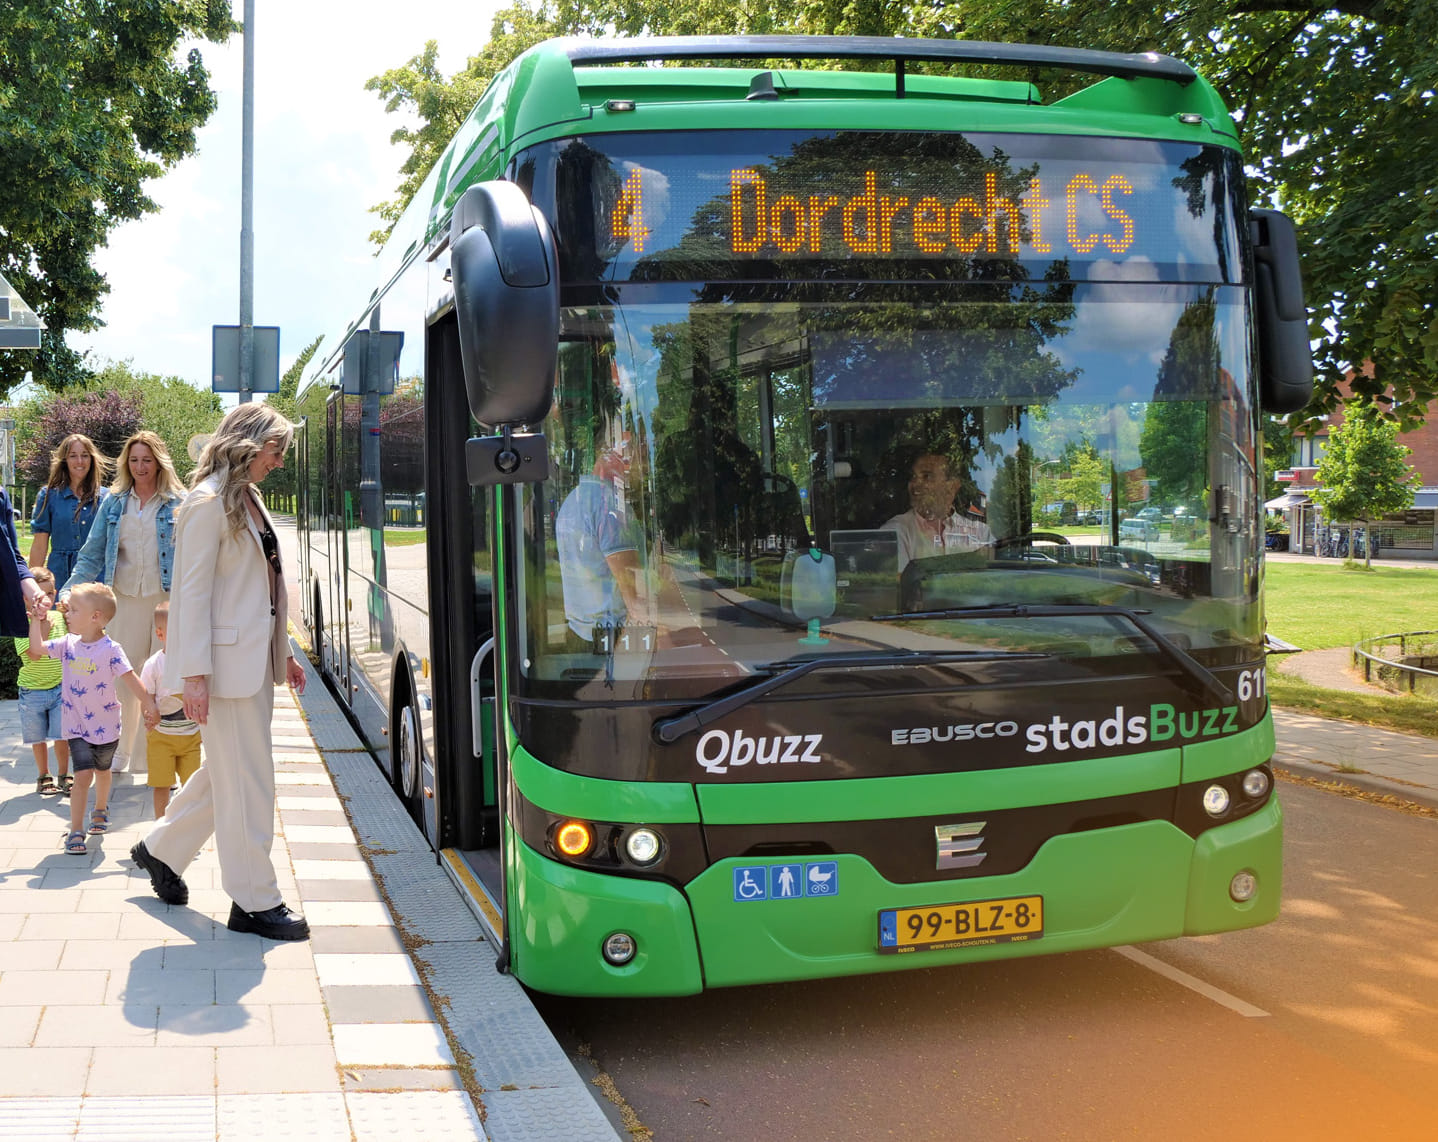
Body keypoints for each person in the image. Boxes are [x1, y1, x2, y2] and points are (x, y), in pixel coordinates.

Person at [130, 403, 311, 941]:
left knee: (232, 773)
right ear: (250, 447)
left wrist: (283, 651)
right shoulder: (207, 503)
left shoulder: (245, 497)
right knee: (249, 783)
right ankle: (254, 902)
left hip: (250, 665)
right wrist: (193, 677)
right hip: (223, 672)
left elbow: (263, 587)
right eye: (275, 452)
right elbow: (191, 597)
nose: (278, 462)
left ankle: (160, 851)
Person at [61, 431, 184, 775]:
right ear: (126, 463)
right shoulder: (115, 503)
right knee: (123, 679)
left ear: (159, 462)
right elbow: (91, 553)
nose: (140, 466)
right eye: (134, 460)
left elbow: (192, 557)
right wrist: (68, 592)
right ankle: (122, 752)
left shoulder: (179, 501)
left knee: (163, 677)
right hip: (125, 599)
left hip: (166, 601)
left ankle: (155, 756)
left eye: (147, 460)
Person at [30, 582, 157, 856]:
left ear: (95, 617)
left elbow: (130, 679)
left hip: (107, 725)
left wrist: (149, 703)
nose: (67, 613)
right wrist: (36, 620)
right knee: (83, 774)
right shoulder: (66, 644)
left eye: (74, 609)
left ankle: (100, 808)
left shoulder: (111, 649)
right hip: (76, 725)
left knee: (103, 771)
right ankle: (76, 829)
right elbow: (37, 649)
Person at [555, 428, 649, 645]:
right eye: (631, 454)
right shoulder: (609, 505)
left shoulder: (573, 500)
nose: (635, 466)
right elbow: (632, 592)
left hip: (581, 632)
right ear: (606, 456)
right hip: (611, 637)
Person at [138, 601, 201, 818]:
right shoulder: (154, 664)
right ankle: (159, 826)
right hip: (161, 737)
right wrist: (148, 714)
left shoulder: (194, 662)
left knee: (192, 786)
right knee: (161, 785)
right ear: (160, 634)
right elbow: (145, 695)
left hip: (191, 737)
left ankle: (185, 826)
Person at [881, 453, 993, 572]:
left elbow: (1000, 582)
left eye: (927, 476)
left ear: (952, 487)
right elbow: (898, 587)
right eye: (913, 476)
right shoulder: (896, 532)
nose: (915, 485)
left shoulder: (981, 533)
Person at [15, 566, 71, 796]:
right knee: (38, 737)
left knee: (61, 735)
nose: (45, 600)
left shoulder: (60, 618)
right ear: (25, 598)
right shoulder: (20, 624)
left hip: (60, 687)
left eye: (49, 594)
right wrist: (41, 625)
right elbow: (34, 654)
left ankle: (65, 774)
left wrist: (71, 611)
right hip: (32, 690)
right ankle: (43, 774)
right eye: (38, 595)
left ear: (55, 594)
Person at [29, 433, 110, 590]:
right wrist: (32, 585)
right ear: (65, 460)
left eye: (85, 455)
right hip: (60, 576)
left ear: (92, 459)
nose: (79, 461)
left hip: (96, 577)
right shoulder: (49, 496)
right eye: (73, 456)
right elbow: (39, 544)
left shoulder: (107, 498)